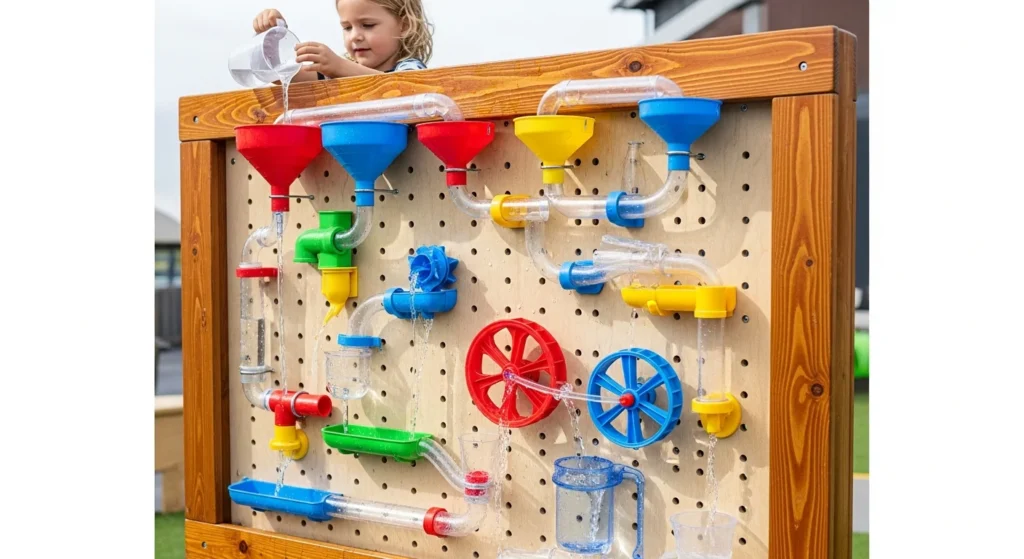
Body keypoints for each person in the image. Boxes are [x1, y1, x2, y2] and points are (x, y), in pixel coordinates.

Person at [252, 0, 431, 82]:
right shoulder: (333, 74)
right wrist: (271, 37)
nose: (354, 36)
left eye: (367, 25)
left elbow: (402, 89)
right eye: (347, 27)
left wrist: (340, 67)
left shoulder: (410, 69)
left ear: (405, 25)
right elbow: (280, 75)